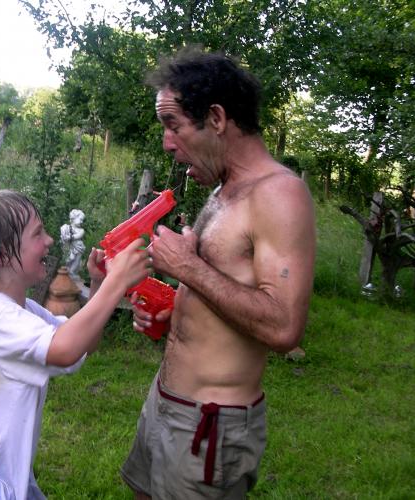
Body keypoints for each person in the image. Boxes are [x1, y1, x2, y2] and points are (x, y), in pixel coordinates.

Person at [121, 48, 316, 499]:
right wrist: (173, 309)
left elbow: (284, 325)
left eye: (173, 125)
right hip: (167, 402)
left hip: (208, 425)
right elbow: (221, 288)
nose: (168, 142)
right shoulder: (224, 189)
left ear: (216, 118)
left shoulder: (280, 195)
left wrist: (187, 267)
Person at [0, 189, 150, 500]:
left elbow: (83, 345)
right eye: (37, 233)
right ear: (1, 255)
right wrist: (118, 284)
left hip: (5, 479)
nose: (49, 240)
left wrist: (100, 283)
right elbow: (64, 350)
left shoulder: (22, 310)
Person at [59, 208, 86, 280]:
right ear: (74, 218)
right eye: (80, 219)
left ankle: (72, 272)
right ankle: (67, 271)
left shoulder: (81, 230)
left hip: (78, 247)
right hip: (70, 246)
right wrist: (65, 237)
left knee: (77, 260)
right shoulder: (67, 227)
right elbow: (64, 237)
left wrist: (70, 237)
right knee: (70, 258)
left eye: (82, 220)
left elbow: (78, 236)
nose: (81, 221)